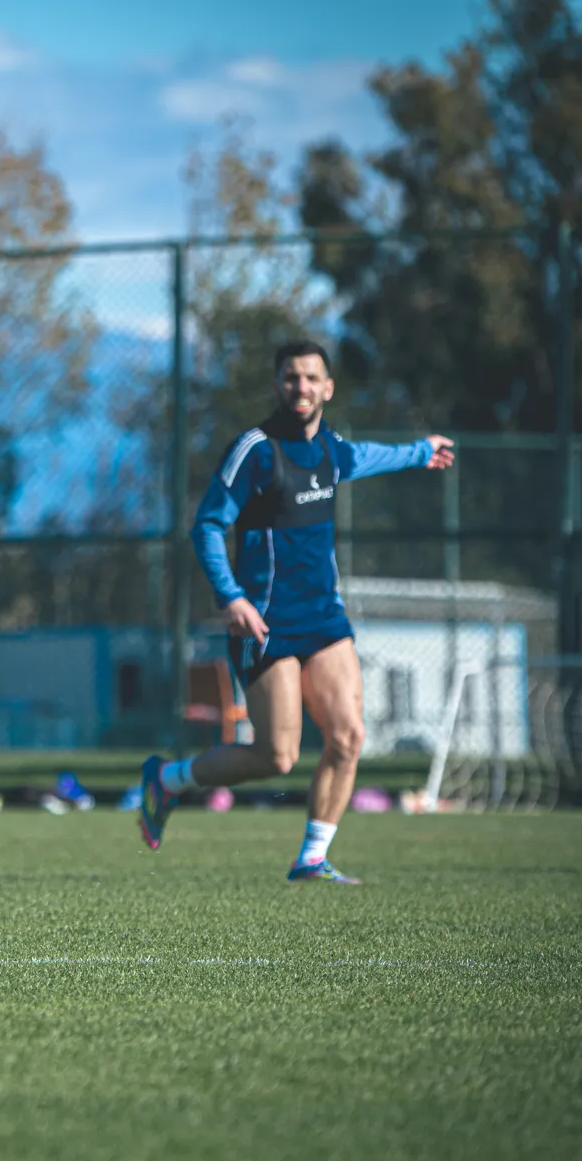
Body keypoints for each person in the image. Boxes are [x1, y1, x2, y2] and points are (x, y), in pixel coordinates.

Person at [137, 339, 455, 883]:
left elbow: (370, 456)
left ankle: (312, 857)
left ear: (328, 388)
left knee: (348, 737)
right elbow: (208, 525)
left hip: (324, 620)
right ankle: (168, 779)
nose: (301, 387)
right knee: (277, 757)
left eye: (311, 378)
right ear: (277, 386)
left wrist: (420, 451)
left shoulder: (331, 450)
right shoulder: (256, 450)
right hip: (265, 622)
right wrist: (231, 596)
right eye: (290, 377)